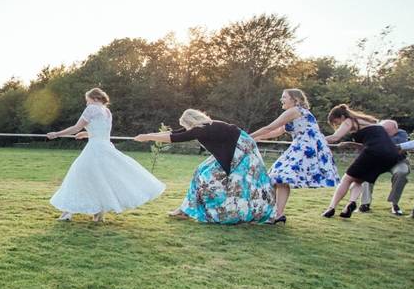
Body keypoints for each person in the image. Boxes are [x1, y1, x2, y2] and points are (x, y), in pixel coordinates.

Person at [45, 88, 164, 222]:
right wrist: (86, 134)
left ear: (95, 98)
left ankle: (68, 212)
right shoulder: (107, 112)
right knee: (100, 180)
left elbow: (76, 127)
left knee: (78, 176)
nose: (86, 104)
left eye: (87, 100)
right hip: (106, 148)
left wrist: (56, 134)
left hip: (94, 149)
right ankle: (98, 213)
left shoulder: (91, 109)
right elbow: (102, 132)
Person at [134, 109, 274, 224]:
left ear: (190, 122)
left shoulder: (202, 129)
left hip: (242, 152)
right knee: (200, 172)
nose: (186, 129)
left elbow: (174, 138)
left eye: (186, 125)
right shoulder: (207, 125)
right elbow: (175, 133)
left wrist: (147, 137)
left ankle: (232, 212)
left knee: (215, 179)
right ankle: (185, 210)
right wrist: (148, 135)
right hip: (239, 149)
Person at [250, 88, 338, 223]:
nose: (281, 99)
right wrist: (255, 138)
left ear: (295, 100)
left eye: (284, 97)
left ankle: (276, 215)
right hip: (301, 145)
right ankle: (271, 213)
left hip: (306, 146)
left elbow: (270, 127)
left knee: (280, 177)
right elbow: (277, 131)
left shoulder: (294, 111)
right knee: (276, 177)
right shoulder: (295, 113)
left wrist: (246, 136)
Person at [321, 105, 402, 218]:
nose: (339, 125)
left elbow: (335, 137)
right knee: (359, 179)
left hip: (374, 151)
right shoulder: (368, 122)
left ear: (342, 116)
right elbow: (371, 141)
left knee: (346, 179)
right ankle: (350, 204)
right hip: (391, 155)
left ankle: (331, 208)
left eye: (337, 122)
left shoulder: (349, 121)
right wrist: (350, 144)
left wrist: (316, 140)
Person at [357, 120, 409, 215]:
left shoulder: (402, 134)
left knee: (402, 172)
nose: (384, 133)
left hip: (397, 162)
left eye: (387, 131)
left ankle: (394, 204)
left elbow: (396, 142)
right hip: (377, 161)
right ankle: (365, 204)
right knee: (366, 173)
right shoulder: (375, 133)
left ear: (395, 130)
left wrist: (379, 142)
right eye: (382, 130)